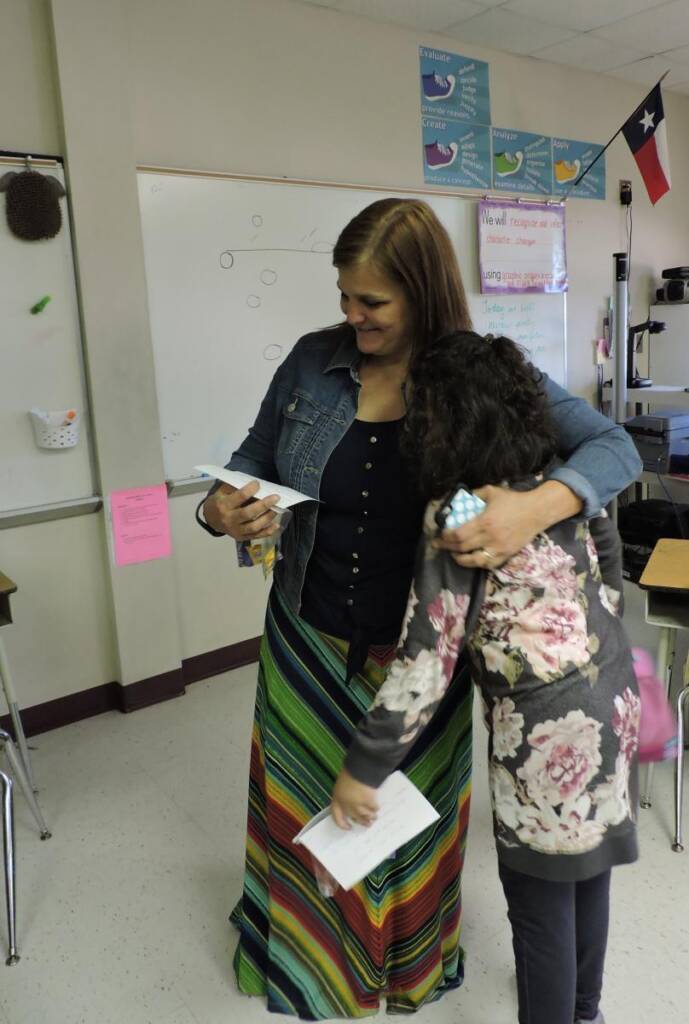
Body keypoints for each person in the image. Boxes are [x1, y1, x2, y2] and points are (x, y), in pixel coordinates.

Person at [197, 198, 641, 1020]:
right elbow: (247, 464)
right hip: (306, 632)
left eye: (372, 303)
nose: (351, 318)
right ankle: (304, 968)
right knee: (307, 815)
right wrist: (218, 509)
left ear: (421, 292)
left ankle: (401, 969)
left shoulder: (474, 374)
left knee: (400, 827)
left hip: (420, 657)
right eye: (344, 298)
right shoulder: (310, 363)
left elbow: (609, 449)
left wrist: (530, 507)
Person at [332, 330, 640, 1024]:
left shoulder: (458, 512)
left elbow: (426, 660)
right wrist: (590, 637)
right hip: (613, 694)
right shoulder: (561, 478)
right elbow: (610, 562)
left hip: (543, 730)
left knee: (537, 909)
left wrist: (363, 767)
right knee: (586, 869)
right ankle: (585, 1010)